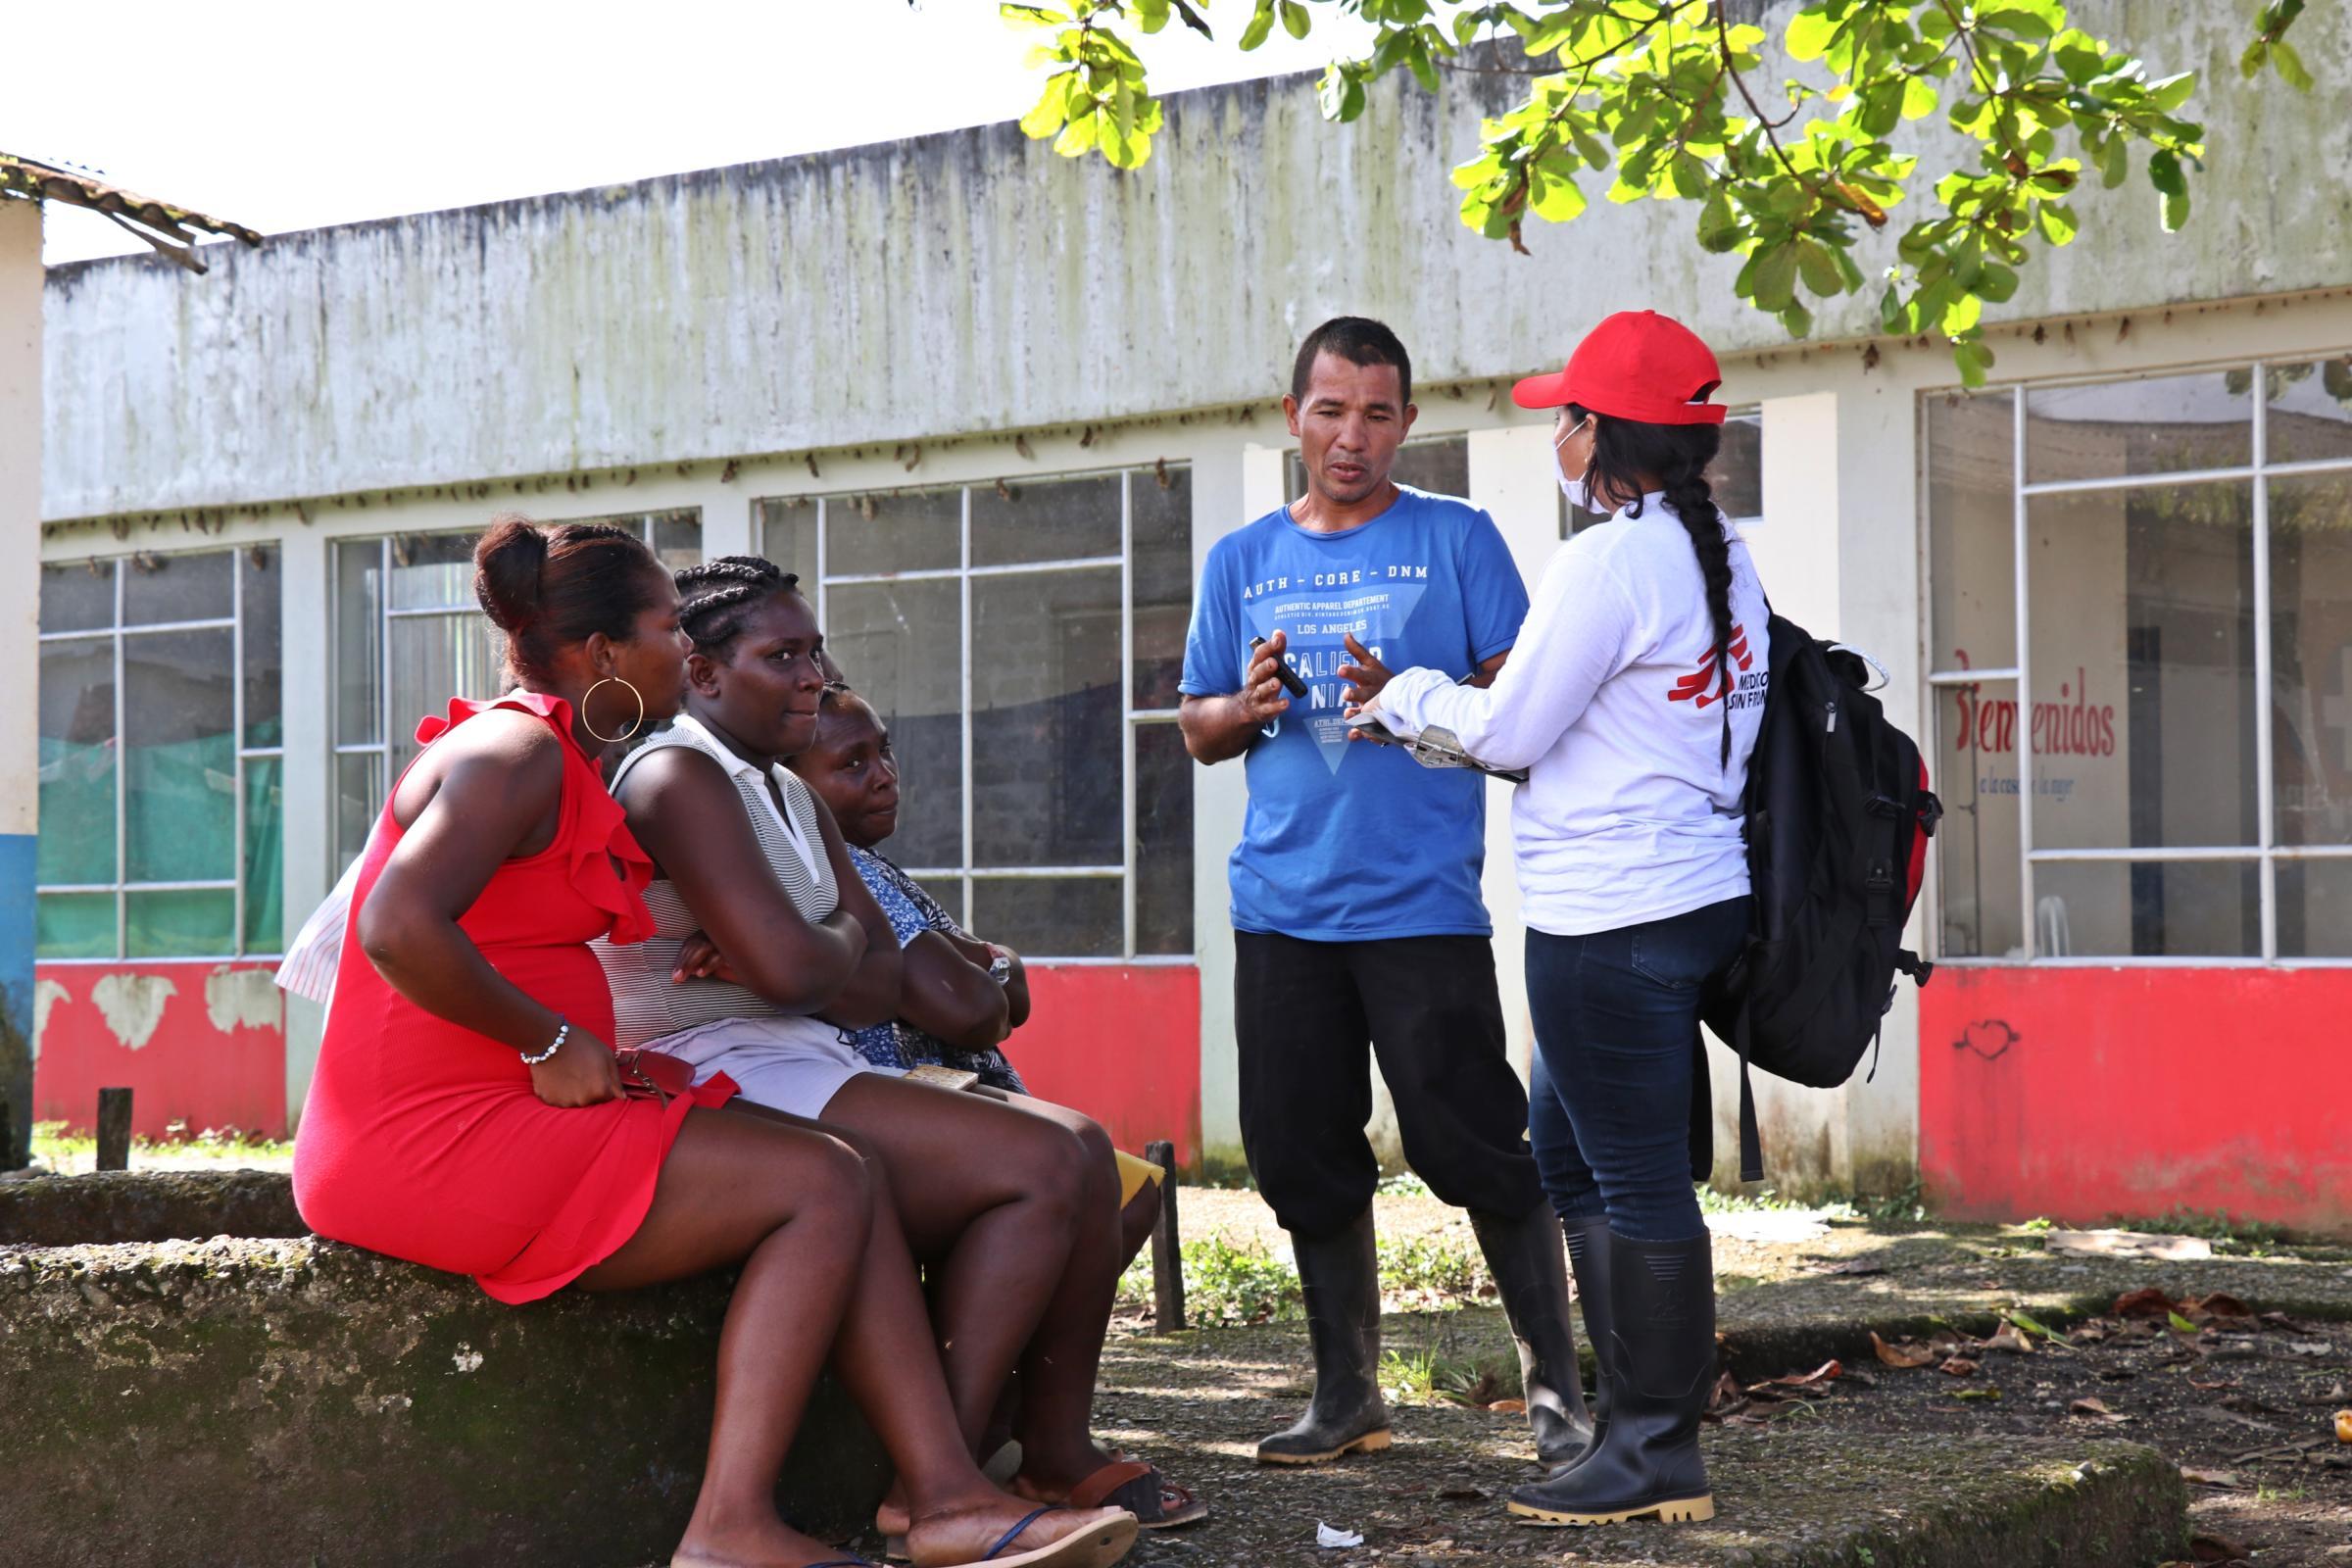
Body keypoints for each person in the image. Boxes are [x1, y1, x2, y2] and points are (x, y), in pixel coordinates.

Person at [293, 517, 1136, 1568]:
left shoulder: (564, 750)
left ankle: (946, 1495)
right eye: (661, 628)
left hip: (504, 1100)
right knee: (822, 1181)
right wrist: (552, 1036)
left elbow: (857, 959)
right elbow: (392, 926)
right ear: (604, 653)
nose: (676, 654)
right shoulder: (513, 750)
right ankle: (737, 1528)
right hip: (432, 1133)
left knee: (839, 1172)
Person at [596, 556, 1202, 1536]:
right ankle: (937, 1487)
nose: (813, 675)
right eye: (781, 654)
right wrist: (808, 948)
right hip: (709, 1064)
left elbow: (869, 973)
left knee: (1088, 1151)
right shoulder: (675, 771)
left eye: (816, 650)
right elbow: (826, 969)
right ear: (704, 675)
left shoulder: (784, 792)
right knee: (1045, 1158)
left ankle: (1046, 1453)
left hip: (795, 1048)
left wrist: (798, 947)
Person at [1353, 311, 1766, 1528]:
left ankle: (1654, 1449)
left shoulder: (1607, 563)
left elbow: (1515, 732)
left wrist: (1404, 695)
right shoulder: (1720, 554)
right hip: (1690, 897)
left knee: (1635, 1182)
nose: (1558, 435)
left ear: (1603, 436)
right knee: (1570, 1155)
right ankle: (1625, 1425)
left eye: (1566, 418)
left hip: (1611, 919)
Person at [1177, 316, 1591, 1468]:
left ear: (1407, 422)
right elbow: (1197, 722)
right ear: (1292, 414)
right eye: (1329, 409)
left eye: (1375, 412)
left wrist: (1416, 689)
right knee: (1301, 1151)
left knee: (1476, 1144)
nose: (1350, 435)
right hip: (1282, 912)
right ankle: (1347, 1392)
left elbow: (1520, 701)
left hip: (1421, 909)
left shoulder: (1458, 539)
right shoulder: (1243, 559)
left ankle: (1554, 1391)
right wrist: (1248, 706)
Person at [785, 681, 1165, 1269]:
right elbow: (975, 1011)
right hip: (910, 1103)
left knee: (1130, 1189)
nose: (885, 774)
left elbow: (1009, 989)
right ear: (793, 784)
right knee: (1110, 1185)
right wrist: (985, 961)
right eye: (852, 764)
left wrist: (987, 963)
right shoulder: (846, 869)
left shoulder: (874, 863)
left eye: (884, 751)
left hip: (955, 1096)